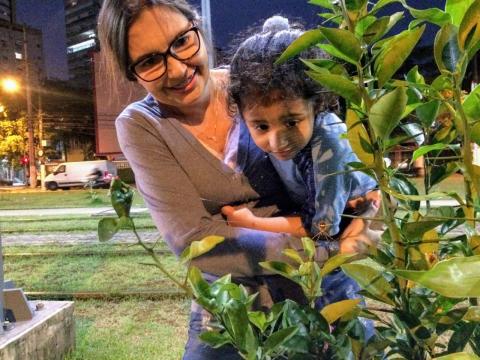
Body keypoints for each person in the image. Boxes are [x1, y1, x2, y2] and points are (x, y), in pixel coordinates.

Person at [98, 2, 379, 358]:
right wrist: (330, 250)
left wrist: (369, 214)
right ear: (131, 73)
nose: (177, 69)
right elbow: (195, 241)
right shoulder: (142, 125)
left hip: (319, 293)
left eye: (182, 41)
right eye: (150, 61)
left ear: (198, 29)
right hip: (232, 306)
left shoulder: (260, 83)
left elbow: (340, 159)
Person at [225, 16, 380, 255]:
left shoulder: (328, 146)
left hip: (358, 207)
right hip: (313, 201)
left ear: (317, 104)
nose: (277, 143)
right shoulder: (250, 110)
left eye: (291, 122)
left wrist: (250, 223)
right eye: (261, 127)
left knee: (344, 247)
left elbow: (323, 229)